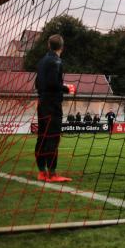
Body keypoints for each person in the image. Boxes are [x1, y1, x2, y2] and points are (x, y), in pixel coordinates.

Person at [35, 34, 72, 182]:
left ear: (48, 45)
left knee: (42, 137)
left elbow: (38, 84)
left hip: (42, 103)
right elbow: (52, 83)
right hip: (52, 105)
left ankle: (41, 172)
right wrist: (66, 88)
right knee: (52, 138)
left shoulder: (42, 61)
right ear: (62, 47)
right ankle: (52, 173)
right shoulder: (56, 61)